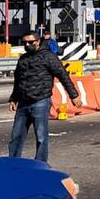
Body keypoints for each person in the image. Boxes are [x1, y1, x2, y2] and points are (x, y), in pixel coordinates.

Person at [8, 32, 81, 163]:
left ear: (38, 41)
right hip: (23, 103)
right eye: (24, 42)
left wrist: (74, 95)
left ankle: (40, 164)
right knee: (16, 137)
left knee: (41, 137)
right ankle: (13, 163)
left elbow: (63, 75)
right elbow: (18, 80)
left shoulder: (49, 57)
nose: (27, 45)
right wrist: (14, 98)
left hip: (40, 101)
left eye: (30, 42)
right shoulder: (23, 59)